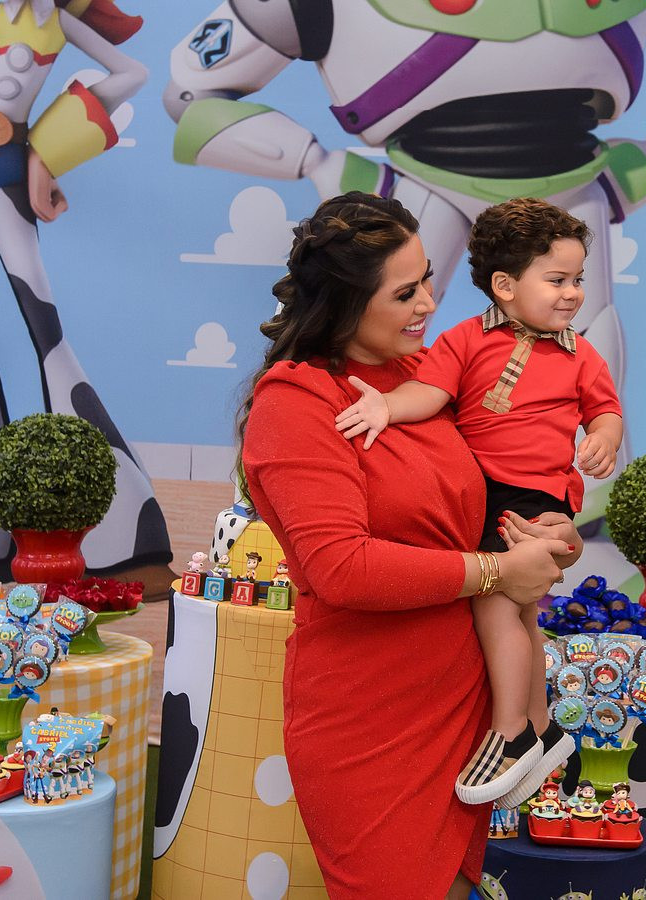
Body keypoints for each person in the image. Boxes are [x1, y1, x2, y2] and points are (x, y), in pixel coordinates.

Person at [239, 192, 579, 899]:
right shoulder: (295, 402)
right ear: (344, 304)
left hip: (463, 711)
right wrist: (497, 571)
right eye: (404, 293)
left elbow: (489, 497)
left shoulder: (428, 379)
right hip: (372, 721)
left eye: (427, 279)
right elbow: (342, 568)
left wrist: (546, 534)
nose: (429, 303)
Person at [334, 198, 622, 807]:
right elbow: (428, 392)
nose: (574, 293)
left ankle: (510, 733)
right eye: (558, 280)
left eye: (578, 280)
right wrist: (386, 406)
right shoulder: (465, 340)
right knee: (521, 612)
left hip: (532, 498)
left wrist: (603, 437)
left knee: (496, 607)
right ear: (505, 285)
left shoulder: (581, 354)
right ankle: (543, 727)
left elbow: (605, 410)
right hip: (476, 492)